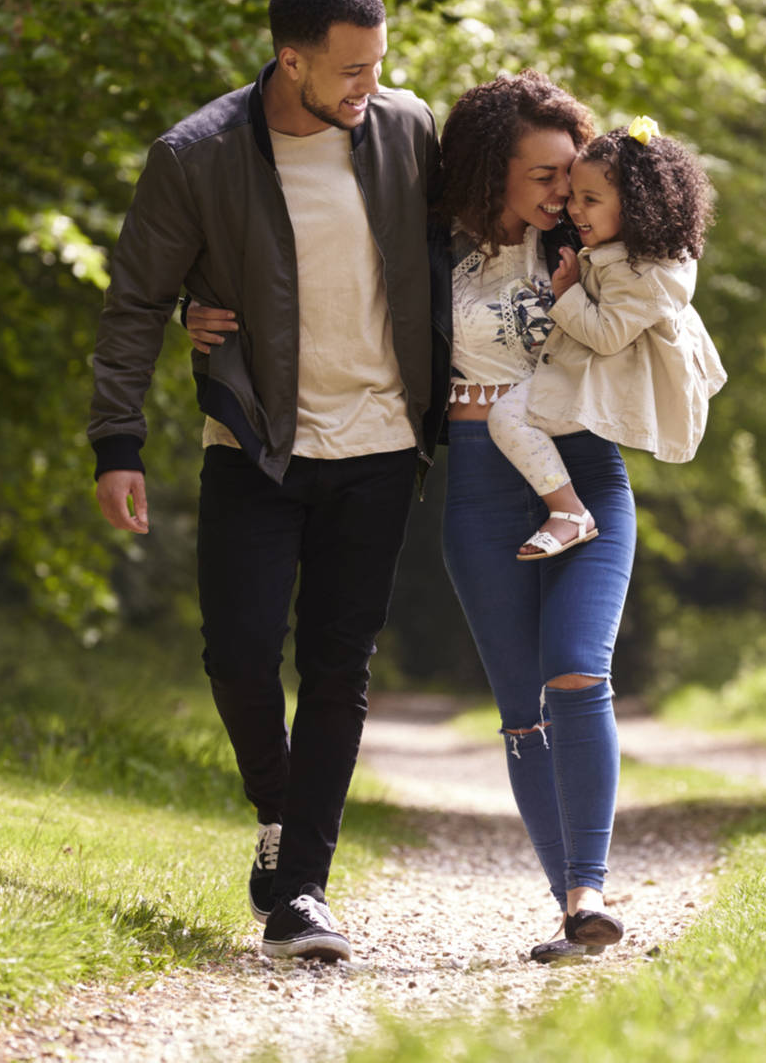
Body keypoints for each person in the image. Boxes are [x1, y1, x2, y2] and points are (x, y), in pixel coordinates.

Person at [189, 72, 671, 964]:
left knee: (578, 671)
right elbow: (316, 279)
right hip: (483, 485)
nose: (565, 193)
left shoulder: (599, 243)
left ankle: (585, 895)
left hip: (585, 471)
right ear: (492, 176)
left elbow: (673, 262)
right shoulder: (426, 247)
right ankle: (565, 898)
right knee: (522, 709)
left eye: (573, 174)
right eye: (544, 177)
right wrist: (205, 308)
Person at [88, 0, 445, 964]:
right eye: (349, 69)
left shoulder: (406, 129)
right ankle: (282, 810)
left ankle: (301, 892)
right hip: (256, 440)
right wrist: (118, 442)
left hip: (380, 442)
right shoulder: (196, 157)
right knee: (239, 651)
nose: (368, 85)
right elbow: (132, 305)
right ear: (290, 60)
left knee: (339, 666)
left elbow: (478, 239)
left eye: (378, 64)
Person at [488, 116, 726, 561]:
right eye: (574, 197)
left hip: (612, 382)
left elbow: (605, 335)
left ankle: (569, 512)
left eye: (590, 199)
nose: (574, 209)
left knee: (507, 418)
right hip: (594, 374)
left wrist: (567, 294)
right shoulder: (633, 255)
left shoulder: (644, 275)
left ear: (636, 206)